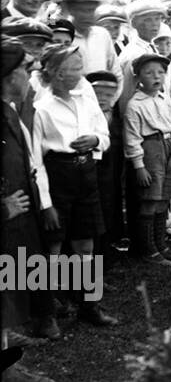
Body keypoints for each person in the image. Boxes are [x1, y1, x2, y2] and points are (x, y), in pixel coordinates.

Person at [32, 44, 118, 326]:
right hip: (58, 176)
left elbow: (103, 135)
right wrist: (46, 204)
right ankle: (47, 312)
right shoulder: (41, 109)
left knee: (86, 245)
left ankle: (89, 305)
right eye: (76, 68)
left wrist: (95, 141)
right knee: (53, 247)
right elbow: (36, 162)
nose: (81, 73)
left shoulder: (86, 99)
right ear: (58, 73)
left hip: (86, 174)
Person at [1, 39, 59, 343]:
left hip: (22, 212)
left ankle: (23, 325)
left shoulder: (11, 111)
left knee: (25, 263)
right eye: (26, 69)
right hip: (8, 214)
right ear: (11, 76)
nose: (31, 74)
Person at [123, 53, 171, 266]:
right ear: (138, 77)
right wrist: (139, 166)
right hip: (150, 150)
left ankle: (161, 245)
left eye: (160, 72)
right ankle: (147, 249)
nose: (156, 77)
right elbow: (132, 139)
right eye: (149, 73)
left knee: (164, 197)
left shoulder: (164, 98)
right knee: (151, 198)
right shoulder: (135, 104)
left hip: (169, 147)